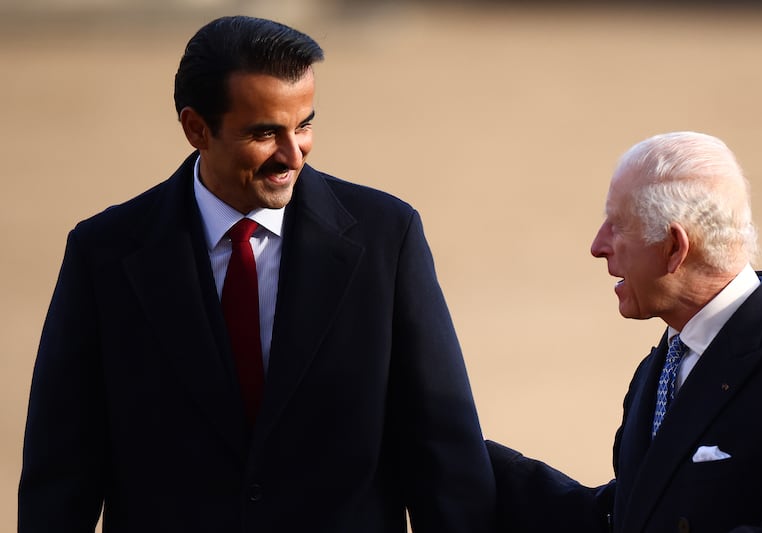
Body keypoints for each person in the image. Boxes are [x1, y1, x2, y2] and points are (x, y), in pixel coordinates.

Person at [19, 16, 495, 532]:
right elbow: (61, 472)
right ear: (196, 128)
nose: (293, 155)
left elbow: (444, 455)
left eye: (304, 125)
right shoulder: (104, 254)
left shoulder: (387, 238)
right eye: (265, 133)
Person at [488, 131, 762, 532]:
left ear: (674, 248)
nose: (598, 245)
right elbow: (629, 518)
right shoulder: (662, 365)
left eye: (618, 226)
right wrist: (459, 452)